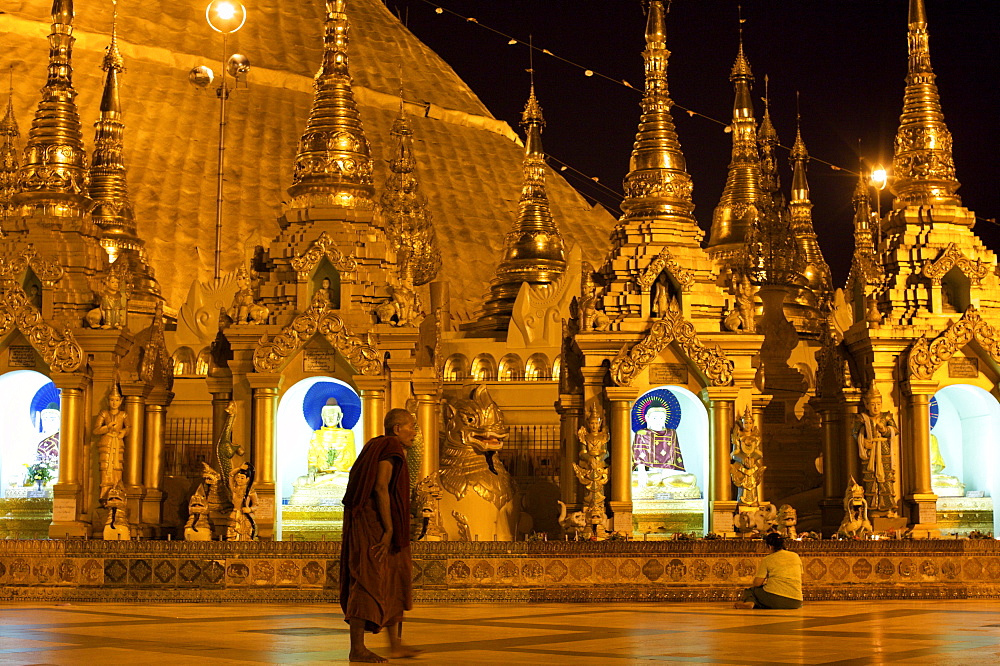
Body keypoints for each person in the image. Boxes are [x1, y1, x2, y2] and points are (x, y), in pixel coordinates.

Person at [340, 408, 422, 663]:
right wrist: (388, 528)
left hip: (384, 522)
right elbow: (380, 486)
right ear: (397, 429)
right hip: (374, 524)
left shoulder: (380, 446)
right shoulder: (389, 447)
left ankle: (395, 645)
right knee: (368, 580)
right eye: (412, 426)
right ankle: (357, 648)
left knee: (394, 579)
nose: (415, 432)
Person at [734, 532, 803, 610]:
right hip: (796, 601)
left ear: (770, 546)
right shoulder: (795, 556)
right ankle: (755, 604)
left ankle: (750, 603)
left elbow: (757, 583)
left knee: (750, 591)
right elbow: (799, 574)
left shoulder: (768, 559)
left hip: (777, 599)